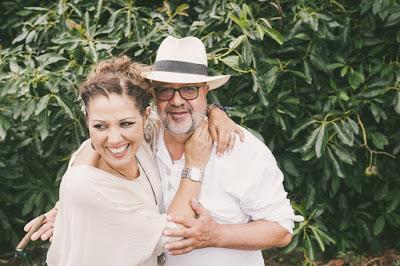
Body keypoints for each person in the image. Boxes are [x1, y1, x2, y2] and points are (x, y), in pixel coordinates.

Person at [27, 36, 303, 266]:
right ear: (153, 99)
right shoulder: (141, 138)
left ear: (206, 92)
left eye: (189, 90)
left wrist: (216, 234)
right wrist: (70, 206)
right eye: (166, 91)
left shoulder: (241, 150)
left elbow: (280, 231)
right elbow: (96, 168)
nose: (177, 101)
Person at [44, 57, 234, 266]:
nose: (115, 139)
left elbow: (177, 108)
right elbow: (171, 235)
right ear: (87, 120)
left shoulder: (142, 140)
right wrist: (194, 166)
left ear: (146, 116)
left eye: (126, 123)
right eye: (100, 126)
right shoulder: (85, 183)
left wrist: (216, 111)